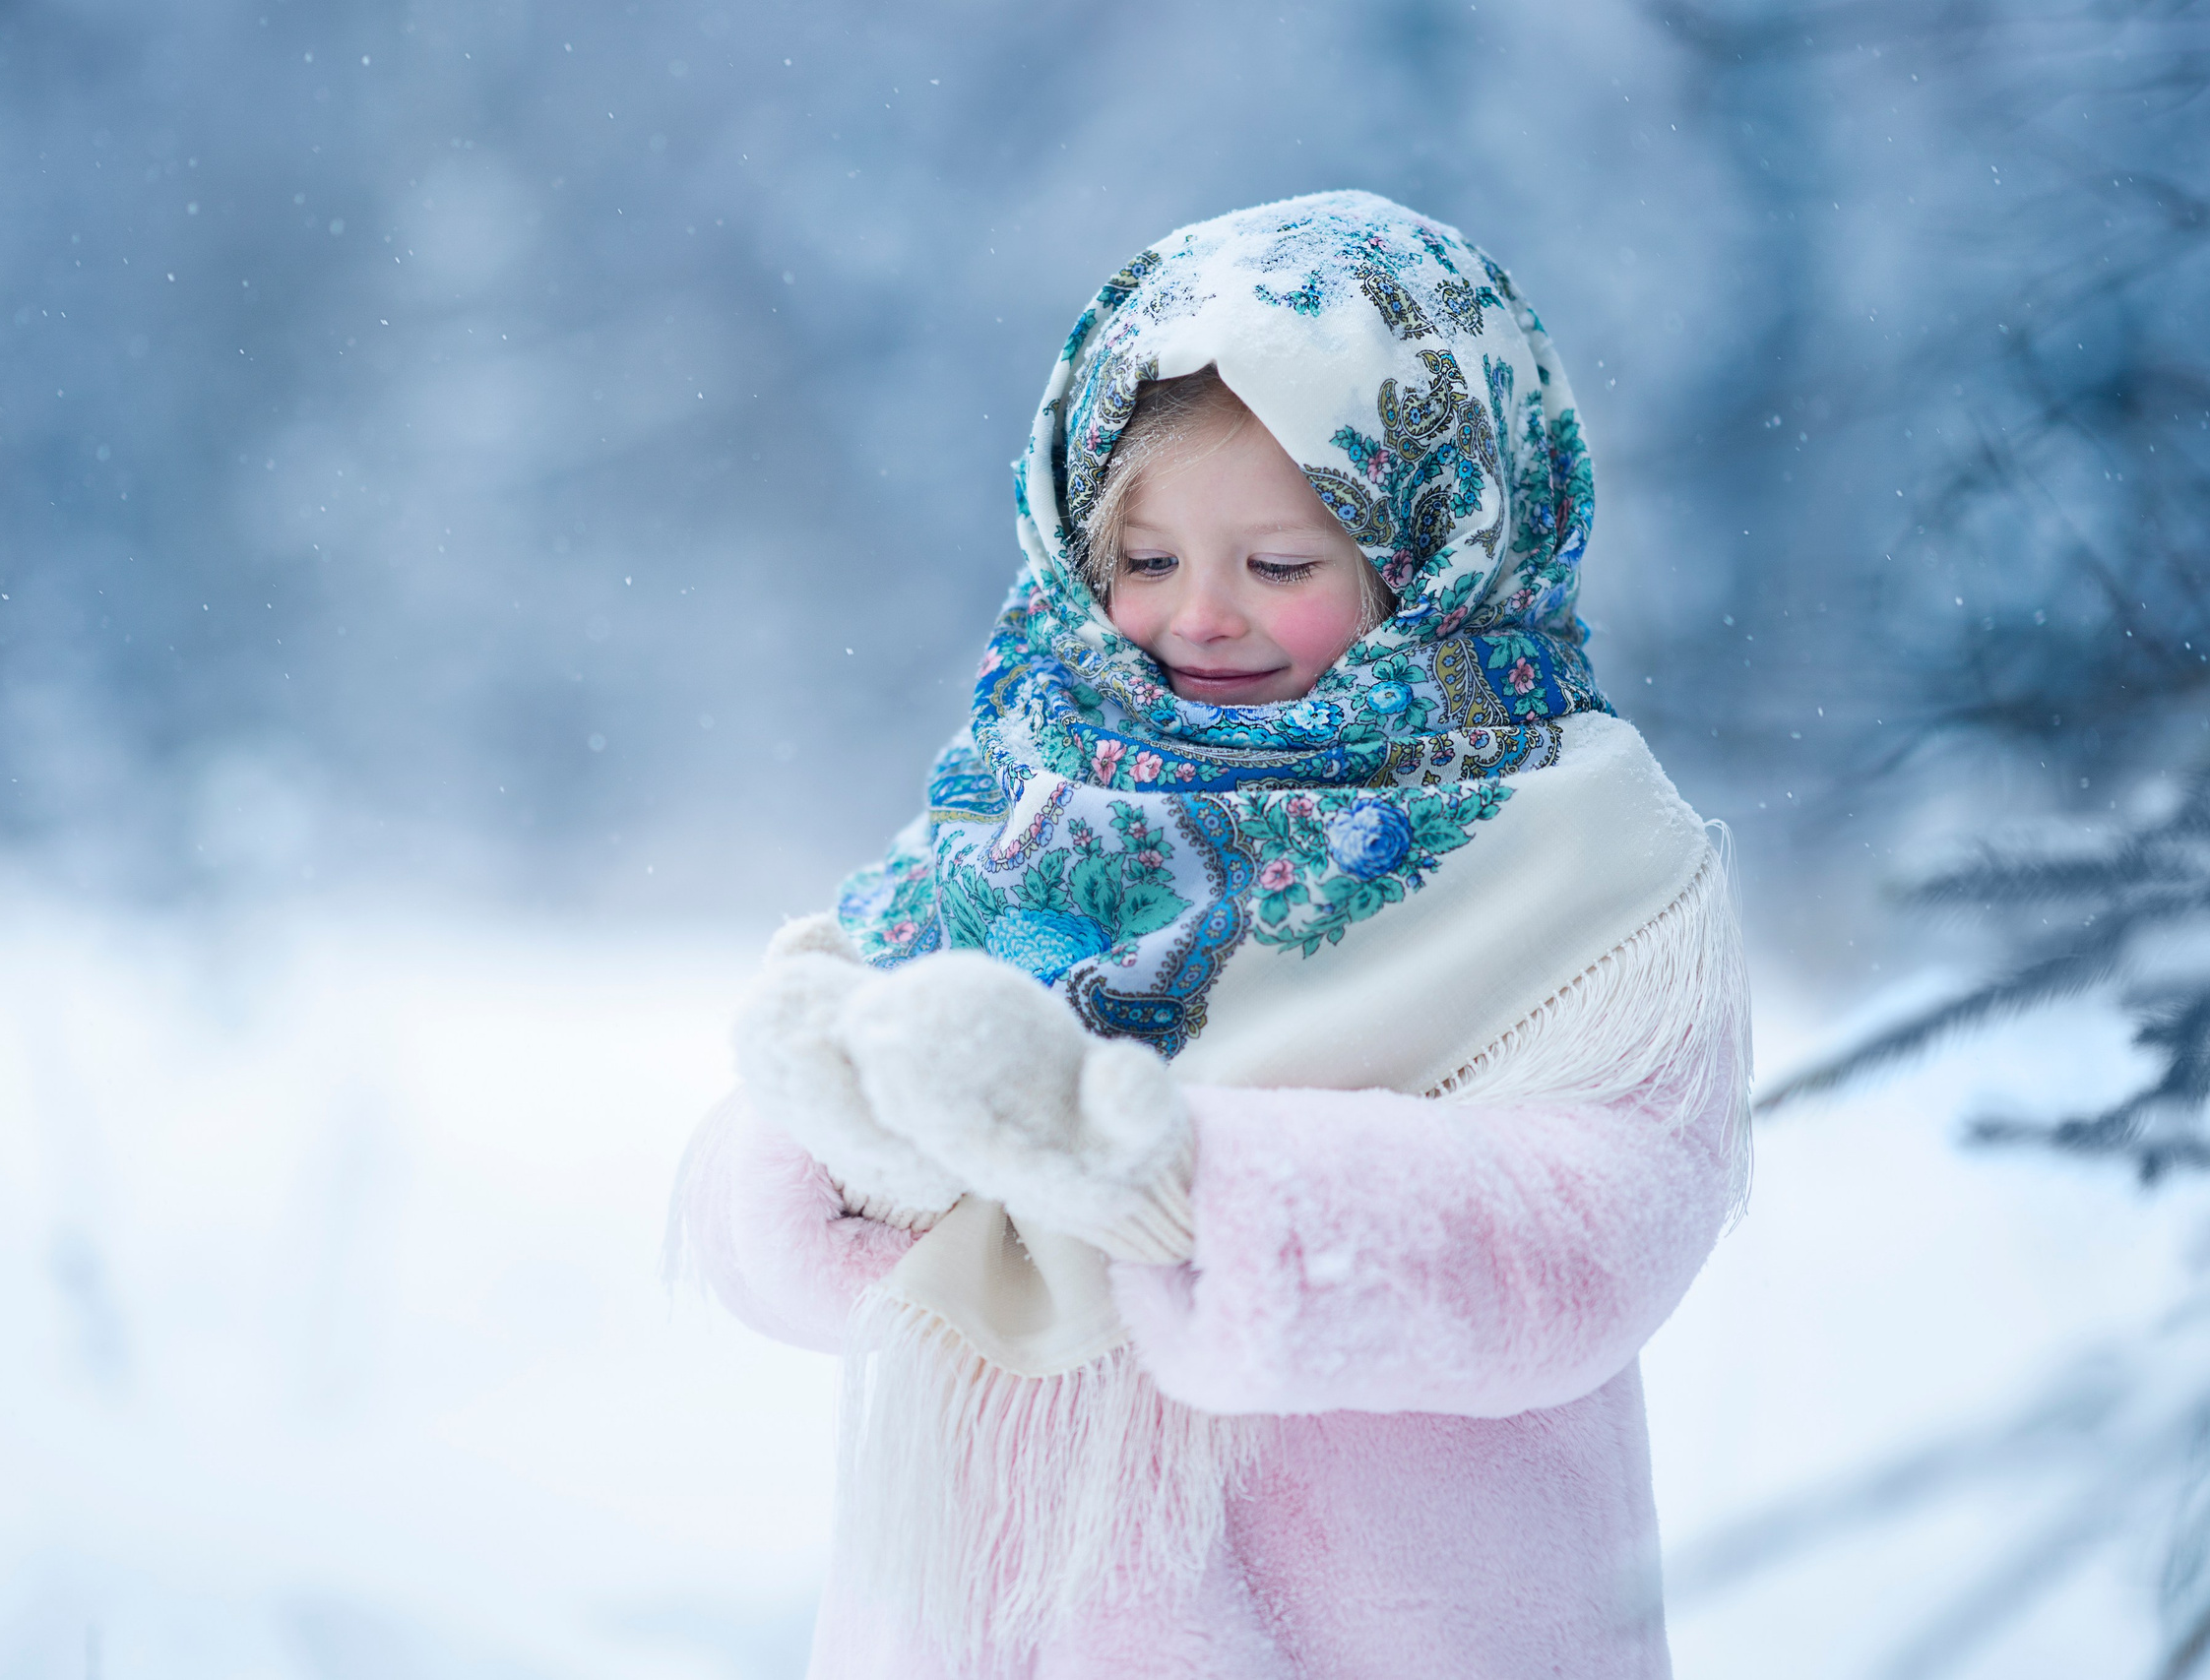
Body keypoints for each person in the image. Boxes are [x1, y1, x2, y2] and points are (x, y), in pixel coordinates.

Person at [673, 189, 1747, 1679]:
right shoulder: (1027, 796)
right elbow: (793, 1248)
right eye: (1148, 559)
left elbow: (1590, 1237)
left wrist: (1187, 1187)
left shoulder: (1582, 856)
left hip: (1386, 1626)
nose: (1201, 617)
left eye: (1282, 563)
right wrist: (852, 1143)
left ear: (1439, 546)